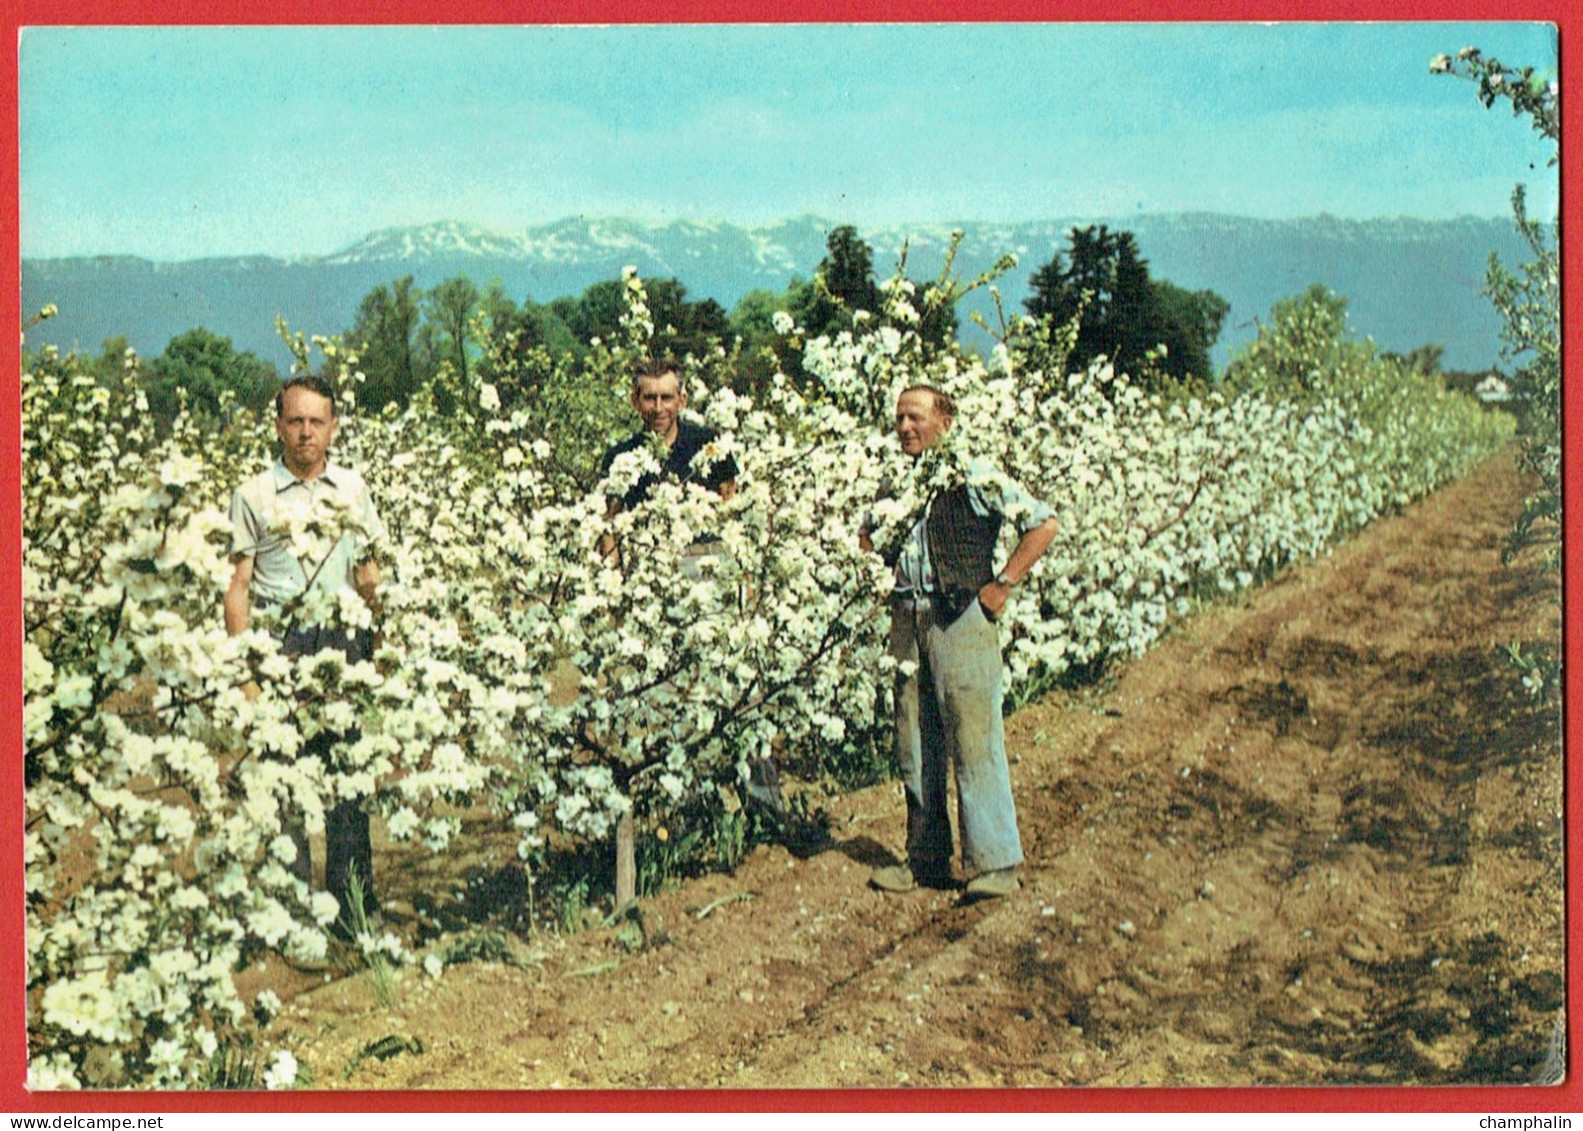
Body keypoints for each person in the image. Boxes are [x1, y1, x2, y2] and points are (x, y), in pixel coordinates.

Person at [864, 384, 1058, 900]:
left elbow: (1043, 522)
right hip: (907, 616)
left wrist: (1003, 584)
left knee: (973, 738)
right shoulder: (893, 484)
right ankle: (925, 858)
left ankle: (997, 862)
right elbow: (865, 535)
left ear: (944, 421)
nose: (905, 427)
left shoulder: (974, 474)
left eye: (916, 418)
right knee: (914, 739)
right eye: (899, 418)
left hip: (961, 615)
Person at [225, 374, 387, 934]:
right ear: (278, 427)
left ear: (333, 427)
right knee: (285, 784)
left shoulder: (351, 488)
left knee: (347, 780)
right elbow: (238, 588)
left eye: (316, 422)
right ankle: (290, 918)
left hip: (343, 641)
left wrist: (377, 640)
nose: (305, 433)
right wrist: (249, 675)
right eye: (295, 421)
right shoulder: (253, 495)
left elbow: (369, 569)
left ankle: (352, 913)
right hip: (282, 646)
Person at [597, 358, 787, 826]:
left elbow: (733, 508)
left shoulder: (708, 445)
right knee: (667, 696)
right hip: (651, 580)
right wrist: (615, 591)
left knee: (734, 689)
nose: (658, 407)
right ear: (635, 401)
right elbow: (611, 528)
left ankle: (765, 808)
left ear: (682, 400)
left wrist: (743, 585)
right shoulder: (621, 457)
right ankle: (686, 814)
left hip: (708, 569)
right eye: (649, 397)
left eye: (667, 397)